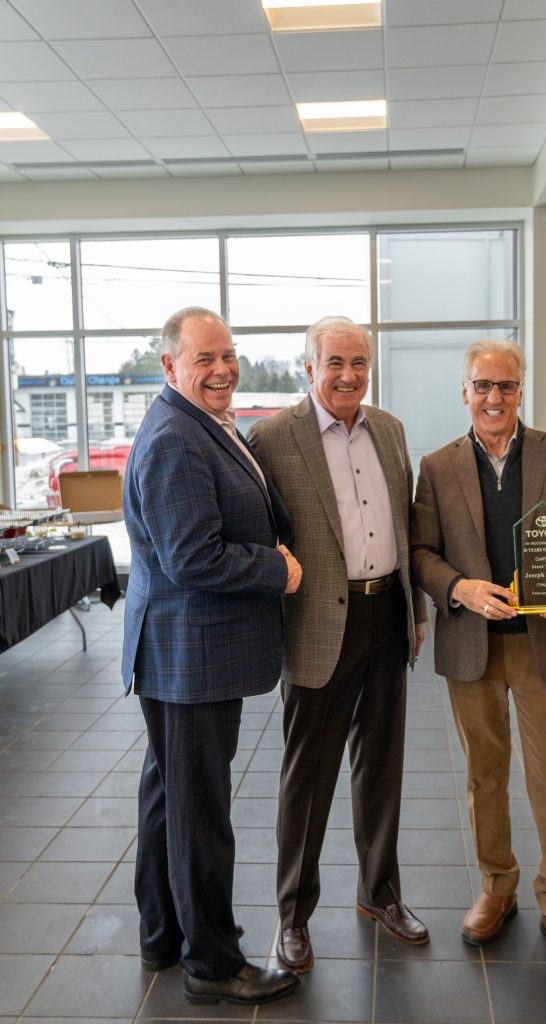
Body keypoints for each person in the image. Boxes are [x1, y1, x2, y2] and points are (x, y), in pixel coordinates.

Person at [410, 339, 546, 979]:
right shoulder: (437, 467)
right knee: (484, 778)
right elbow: (420, 552)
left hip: (544, 646)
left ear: (521, 390)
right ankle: (497, 886)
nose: (494, 398)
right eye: (482, 386)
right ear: (463, 391)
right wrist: (458, 589)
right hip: (473, 646)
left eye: (507, 386)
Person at [121, 306, 302, 1007]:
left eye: (227, 354)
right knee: (199, 811)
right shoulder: (175, 438)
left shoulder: (198, 424)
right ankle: (212, 962)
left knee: (170, 796)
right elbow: (194, 556)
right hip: (187, 653)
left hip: (177, 649)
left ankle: (163, 934)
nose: (222, 368)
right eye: (204, 358)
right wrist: (277, 569)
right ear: (170, 366)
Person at [249, 315, 429, 973]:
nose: (348, 376)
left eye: (358, 362)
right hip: (317, 625)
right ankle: (292, 915)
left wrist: (415, 606)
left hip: (387, 616)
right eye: (334, 363)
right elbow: (258, 535)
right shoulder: (271, 438)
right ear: (308, 367)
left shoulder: (389, 429)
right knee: (308, 777)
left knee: (381, 765)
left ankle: (379, 894)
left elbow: (404, 524)